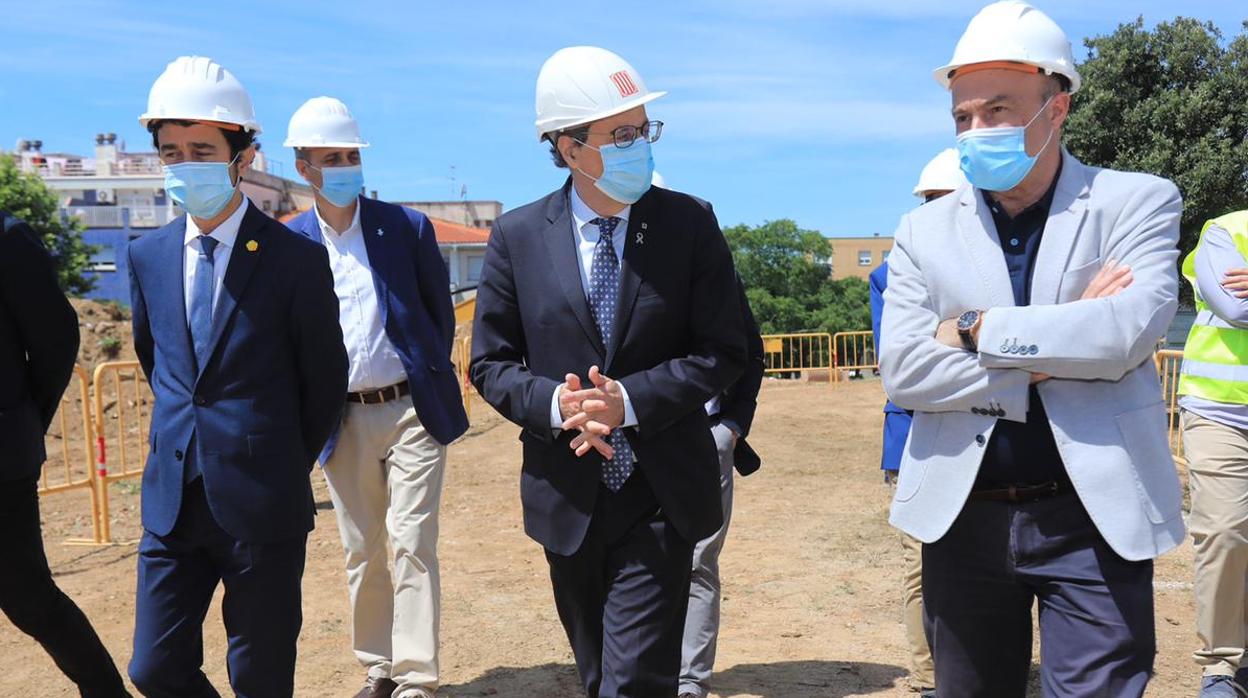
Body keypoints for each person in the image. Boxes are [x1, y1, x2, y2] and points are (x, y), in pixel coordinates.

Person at [879, 2, 1185, 695]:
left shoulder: (1135, 202)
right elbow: (903, 371)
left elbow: (1127, 333)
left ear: (1058, 107)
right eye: (963, 117)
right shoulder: (922, 232)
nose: (977, 131)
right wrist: (1066, 334)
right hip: (964, 518)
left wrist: (972, 328)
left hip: (1095, 516)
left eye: (998, 110)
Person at [469, 46, 747, 698]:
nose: (637, 147)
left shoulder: (690, 224)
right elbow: (490, 362)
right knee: (597, 676)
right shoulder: (516, 237)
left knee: (635, 684)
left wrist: (629, 400)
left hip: (660, 493)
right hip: (565, 496)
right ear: (569, 148)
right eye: (620, 135)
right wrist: (559, 406)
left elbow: (724, 350)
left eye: (642, 131)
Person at [126, 56, 348, 697]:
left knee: (260, 674)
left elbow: (323, 382)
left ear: (242, 155)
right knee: (153, 668)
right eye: (171, 151)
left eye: (201, 148)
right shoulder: (148, 256)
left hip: (261, 500)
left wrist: (276, 458)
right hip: (172, 501)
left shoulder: (296, 261)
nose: (183, 163)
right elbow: (161, 364)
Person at [285, 96, 469, 698]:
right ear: (303, 166)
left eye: (350, 155)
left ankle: (416, 677)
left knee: (413, 540)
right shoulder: (291, 244)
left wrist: (427, 374)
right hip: (342, 418)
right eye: (330, 157)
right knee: (362, 547)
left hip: (412, 408)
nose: (344, 166)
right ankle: (378, 666)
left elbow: (438, 317)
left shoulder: (405, 228)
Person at [0, 211, 130, 697]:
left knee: (27, 598)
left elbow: (55, 340)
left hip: (2, 463)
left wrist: (24, 419)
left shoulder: (8, 237)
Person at [649, 171, 765, 698]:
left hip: (706, 439)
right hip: (630, 442)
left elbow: (749, 350)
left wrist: (733, 426)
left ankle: (689, 680)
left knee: (697, 561)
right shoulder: (599, 286)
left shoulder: (713, 277)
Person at [868, 148, 964, 697]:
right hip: (916, 437)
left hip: (985, 432)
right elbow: (902, 361)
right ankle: (930, 680)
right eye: (929, 203)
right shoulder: (889, 274)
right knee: (922, 567)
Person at [1177, 208, 1248, 697]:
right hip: (1221, 409)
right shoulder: (1228, 229)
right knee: (1224, 531)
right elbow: (1236, 308)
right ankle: (1222, 666)